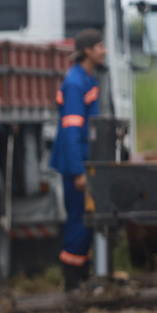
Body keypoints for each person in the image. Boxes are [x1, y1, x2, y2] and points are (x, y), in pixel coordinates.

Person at [49, 29, 106, 292]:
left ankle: (82, 277)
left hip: (85, 163)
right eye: (100, 46)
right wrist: (78, 171)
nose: (104, 51)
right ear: (88, 51)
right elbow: (72, 131)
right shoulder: (75, 83)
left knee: (87, 220)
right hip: (78, 166)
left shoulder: (85, 79)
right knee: (78, 220)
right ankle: (72, 283)